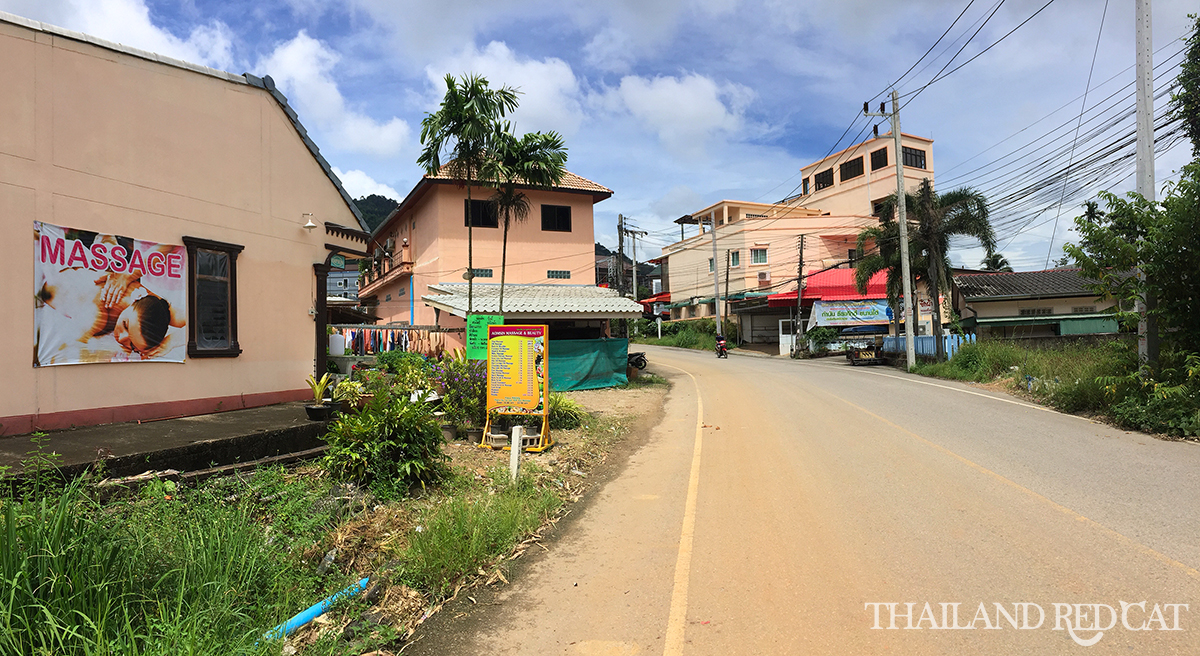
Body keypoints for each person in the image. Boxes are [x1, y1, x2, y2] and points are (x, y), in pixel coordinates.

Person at [36, 266, 184, 359]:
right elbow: (68, 347)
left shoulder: (151, 308)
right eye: (125, 325)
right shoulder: (96, 312)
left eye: (132, 345)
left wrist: (172, 340)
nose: (121, 338)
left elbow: (195, 319)